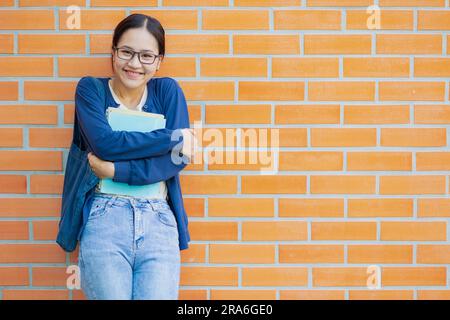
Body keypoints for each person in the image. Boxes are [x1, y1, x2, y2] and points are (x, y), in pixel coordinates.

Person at [74, 13, 197, 300]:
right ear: (113, 52)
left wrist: (117, 172)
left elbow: (177, 159)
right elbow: (105, 145)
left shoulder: (167, 91)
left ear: (159, 60)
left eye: (146, 56)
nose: (134, 64)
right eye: (127, 52)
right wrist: (170, 137)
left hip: (158, 220)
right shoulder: (90, 90)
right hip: (105, 217)